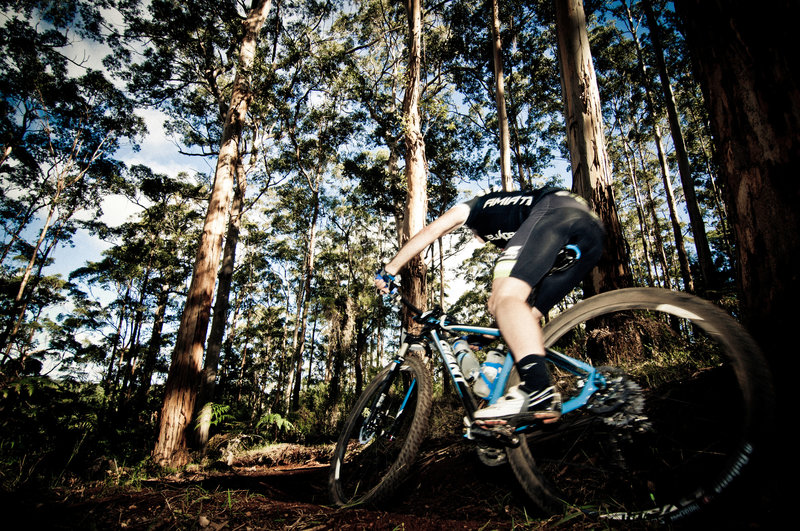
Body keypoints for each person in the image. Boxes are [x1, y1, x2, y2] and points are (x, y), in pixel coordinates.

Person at [375, 186, 604, 426]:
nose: (479, 241)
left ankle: (539, 391)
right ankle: (568, 386)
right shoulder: (512, 228)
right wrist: (486, 338)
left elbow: (433, 229)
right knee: (523, 314)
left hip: (556, 211)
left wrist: (390, 269)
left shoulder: (475, 206)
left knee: (502, 298)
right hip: (590, 235)